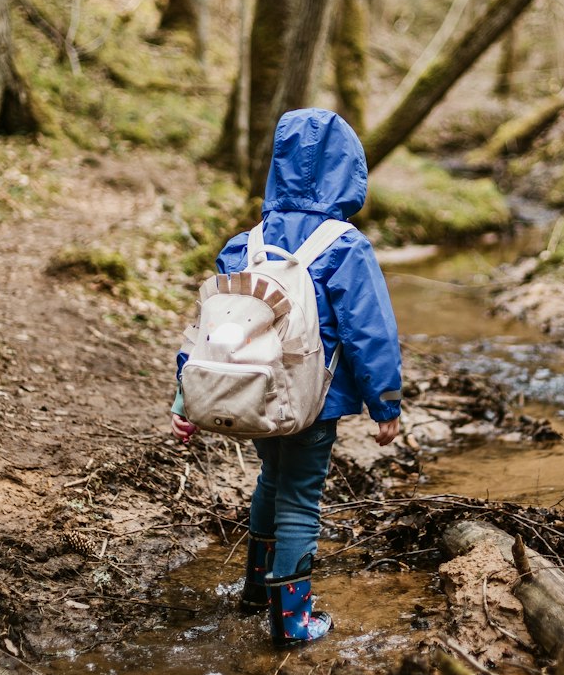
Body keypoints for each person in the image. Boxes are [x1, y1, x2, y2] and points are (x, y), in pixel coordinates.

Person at [172, 107, 402, 646]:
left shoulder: (244, 244)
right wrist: (385, 405)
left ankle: (256, 591)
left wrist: (186, 398)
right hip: (313, 402)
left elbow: (212, 327)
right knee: (300, 495)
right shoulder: (344, 245)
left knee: (271, 481)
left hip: (250, 392)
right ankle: (291, 619)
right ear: (349, 169)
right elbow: (372, 333)